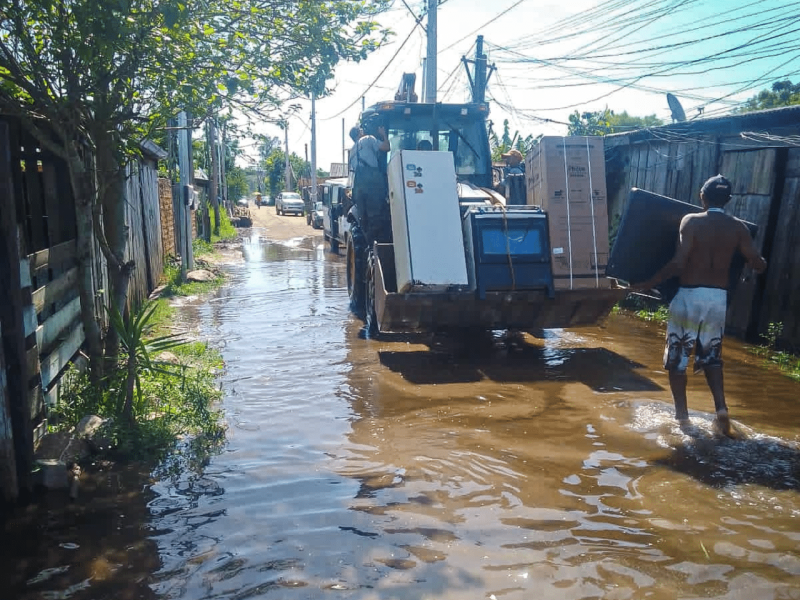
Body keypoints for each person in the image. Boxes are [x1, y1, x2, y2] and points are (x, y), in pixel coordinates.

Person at [634, 174, 767, 436]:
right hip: (718, 299)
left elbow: (678, 263)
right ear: (728, 200)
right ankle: (721, 410)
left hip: (689, 297)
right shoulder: (738, 227)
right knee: (712, 356)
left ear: (701, 197)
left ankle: (683, 419)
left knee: (678, 359)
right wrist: (754, 263)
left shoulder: (691, 221)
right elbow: (757, 263)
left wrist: (646, 282)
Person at [352, 120, 391, 245]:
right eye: (361, 130)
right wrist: (383, 134)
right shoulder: (368, 139)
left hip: (358, 184)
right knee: (379, 213)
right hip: (371, 181)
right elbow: (386, 147)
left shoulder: (352, 150)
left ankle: (369, 243)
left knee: (365, 218)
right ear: (360, 133)